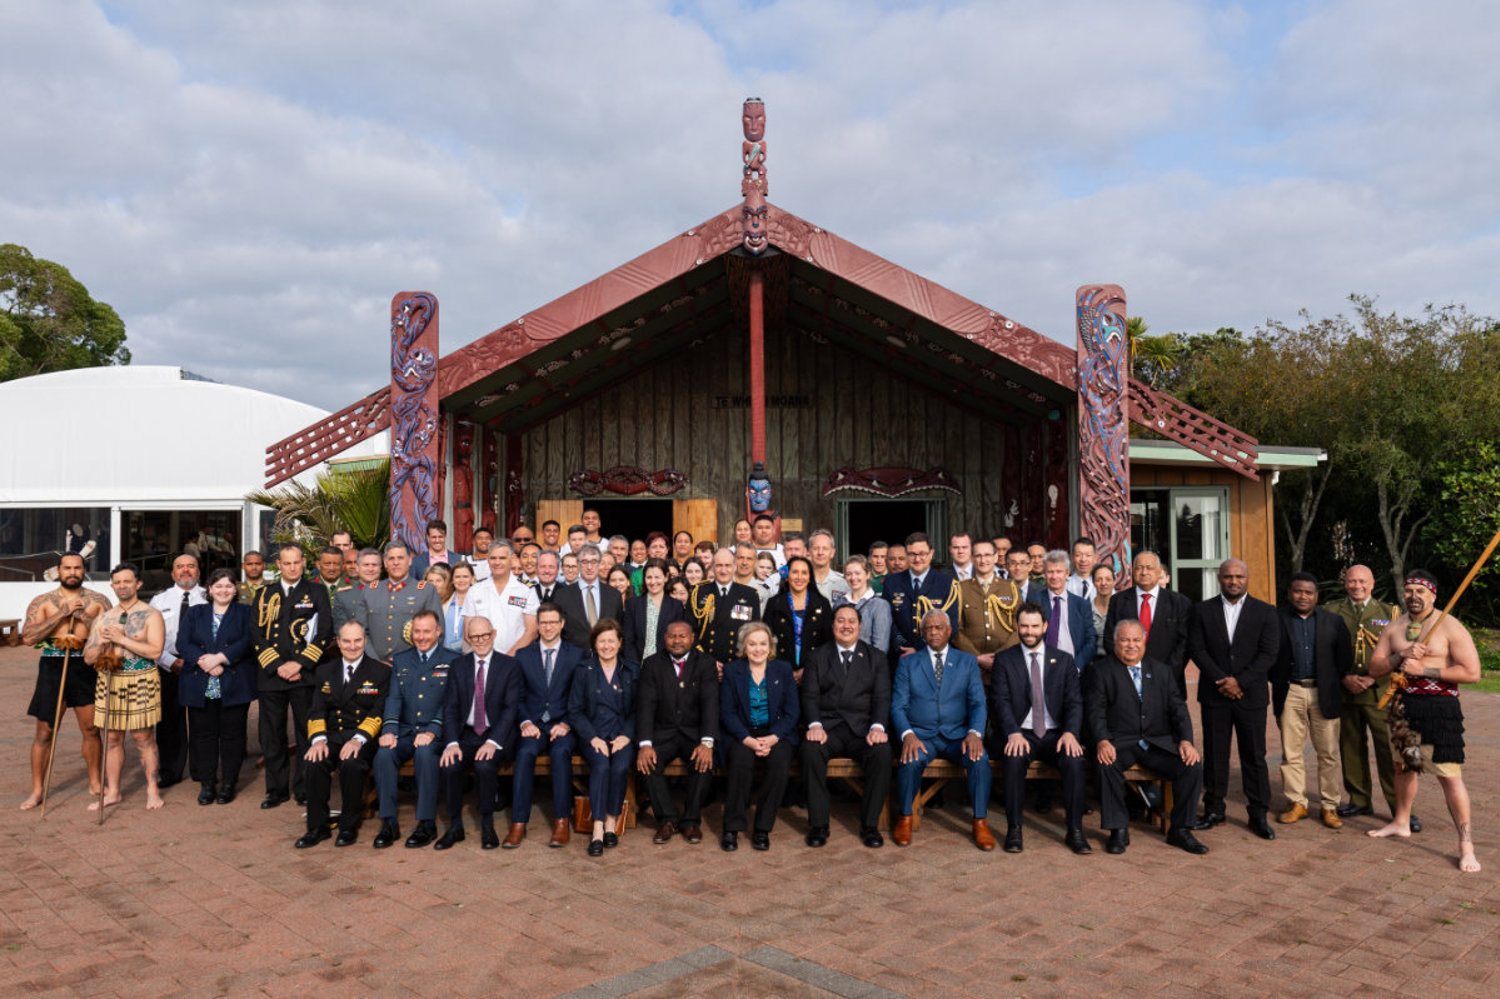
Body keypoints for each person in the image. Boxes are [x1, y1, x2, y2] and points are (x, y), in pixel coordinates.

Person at [1366, 570, 1482, 873]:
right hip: (1403, 706)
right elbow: (1375, 668)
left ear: (1433, 595)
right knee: (1403, 767)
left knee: (1449, 776)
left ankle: (1466, 845)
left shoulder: (1450, 626)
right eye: (1409, 590)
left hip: (1440, 709)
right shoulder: (1394, 627)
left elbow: (1472, 673)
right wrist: (1400, 656)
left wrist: (1425, 670)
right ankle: (1401, 822)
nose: (1413, 596)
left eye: (1420, 591)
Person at [1087, 620, 1208, 855]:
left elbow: (1178, 710)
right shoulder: (1101, 671)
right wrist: (1102, 740)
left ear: (1144, 641)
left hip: (1156, 742)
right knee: (1105, 764)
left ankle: (1181, 829)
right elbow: (1095, 711)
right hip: (1120, 742)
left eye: (1136, 640)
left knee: (1191, 765)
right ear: (1115, 642)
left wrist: (1186, 741)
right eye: (1125, 640)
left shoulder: (1162, 671)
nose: (1131, 645)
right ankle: (1118, 829)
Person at [1187, 558, 1279, 840]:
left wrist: (1240, 682)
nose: (1234, 581)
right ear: (1220, 578)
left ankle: (1258, 813)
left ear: (1247, 578)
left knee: (1254, 755)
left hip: (1251, 695)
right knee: (1215, 755)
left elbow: (1268, 653)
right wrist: (1222, 680)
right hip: (1215, 694)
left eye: (1239, 576)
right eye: (1228, 576)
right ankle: (1214, 809)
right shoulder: (1202, 610)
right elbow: (1197, 649)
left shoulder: (1266, 612)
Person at [891, 610, 994, 851]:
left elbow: (978, 703)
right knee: (910, 759)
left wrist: (975, 733)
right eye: (928, 629)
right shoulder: (908, 663)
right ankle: (905, 817)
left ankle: (980, 821)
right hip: (922, 737)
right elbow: (898, 706)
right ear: (922, 633)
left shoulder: (967, 661)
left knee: (979, 759)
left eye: (938, 628)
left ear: (949, 631)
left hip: (958, 737)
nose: (933, 632)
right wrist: (908, 735)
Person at [993, 604, 1089, 854]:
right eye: (1024, 626)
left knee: (1075, 760)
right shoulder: (1005, 660)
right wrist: (1013, 732)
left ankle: (1075, 831)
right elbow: (1001, 701)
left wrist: (1071, 733)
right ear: (1016, 626)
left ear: (1045, 627)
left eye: (1035, 626)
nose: (1029, 631)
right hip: (1022, 732)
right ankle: (1014, 829)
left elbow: (1074, 702)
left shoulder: (1064, 660)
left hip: (1056, 733)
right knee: (1013, 758)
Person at [20, 553, 111, 810]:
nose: (72, 572)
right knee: (45, 732)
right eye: (67, 568)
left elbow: (109, 634)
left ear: (84, 570)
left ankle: (95, 782)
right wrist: (62, 614)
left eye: (77, 568)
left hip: (86, 666)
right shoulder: (43, 601)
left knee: (91, 729)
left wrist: (85, 618)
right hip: (52, 667)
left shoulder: (99, 600)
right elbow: (28, 637)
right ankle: (37, 790)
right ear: (58, 571)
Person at [800, 605, 891, 849]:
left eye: (852, 621)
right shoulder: (817, 656)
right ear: (833, 625)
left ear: (860, 626)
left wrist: (878, 727)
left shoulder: (876, 657)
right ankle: (819, 825)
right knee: (810, 750)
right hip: (828, 728)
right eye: (841, 620)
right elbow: (809, 696)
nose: (846, 626)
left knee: (882, 753)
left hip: (862, 730)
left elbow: (882, 697)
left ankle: (870, 825)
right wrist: (815, 725)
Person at [295, 621, 390, 848]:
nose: (352, 646)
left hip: (363, 737)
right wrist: (318, 740)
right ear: (338, 642)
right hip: (332, 735)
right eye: (346, 641)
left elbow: (378, 712)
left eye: (357, 640)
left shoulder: (381, 672)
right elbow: (317, 710)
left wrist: (357, 740)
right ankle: (317, 827)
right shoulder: (325, 670)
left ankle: (348, 826)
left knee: (351, 763)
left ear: (364, 641)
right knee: (314, 761)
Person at [252, 543, 333, 810]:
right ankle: (276, 790)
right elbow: (257, 635)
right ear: (279, 565)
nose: (292, 567)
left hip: (304, 674)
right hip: (272, 675)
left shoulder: (316, 591)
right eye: (287, 563)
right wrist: (278, 666)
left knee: (306, 732)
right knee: (271, 734)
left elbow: (324, 633)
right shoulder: (264, 594)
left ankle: (305, 788)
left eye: (296, 562)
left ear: (304, 562)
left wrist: (298, 664)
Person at [1271, 572, 1352, 830]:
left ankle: (1329, 805)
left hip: (1323, 692)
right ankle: (1297, 803)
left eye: (1308, 592)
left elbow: (1344, 658)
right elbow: (1268, 654)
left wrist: (1330, 680)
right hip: (1290, 690)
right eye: (1298, 591)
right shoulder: (1276, 619)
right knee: (1291, 751)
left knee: (1328, 753)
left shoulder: (1333, 621)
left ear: (1316, 596)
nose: (1303, 596)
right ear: (1289, 593)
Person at [83, 563, 167, 811]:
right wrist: (102, 643)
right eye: (117, 582)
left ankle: (152, 790)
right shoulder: (103, 618)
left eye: (127, 581)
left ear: (138, 584)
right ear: (112, 586)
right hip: (110, 679)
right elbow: (88, 658)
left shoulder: (151, 615)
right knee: (112, 738)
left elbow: (156, 651)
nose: (122, 586)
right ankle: (113, 792)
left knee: (143, 737)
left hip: (141, 678)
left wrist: (122, 639)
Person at [371, 610, 456, 849]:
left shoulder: (453, 660)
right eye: (417, 631)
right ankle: (389, 822)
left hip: (435, 733)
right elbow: (394, 698)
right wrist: (389, 729)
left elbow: (451, 702)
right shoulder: (402, 660)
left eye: (426, 631)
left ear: (438, 631)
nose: (421, 637)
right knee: (384, 754)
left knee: (425, 754)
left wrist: (433, 730)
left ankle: (427, 823)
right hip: (406, 731)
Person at [1327, 565, 1405, 825]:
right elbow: (1324, 651)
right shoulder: (1331, 611)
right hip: (1346, 692)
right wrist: (1343, 677)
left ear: (1372, 583)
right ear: (1345, 583)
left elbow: (1401, 652)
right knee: (1350, 747)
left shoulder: (1390, 613)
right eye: (1352, 581)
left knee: (1389, 751)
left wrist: (1374, 677)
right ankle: (1359, 800)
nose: (1357, 586)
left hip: (1380, 693)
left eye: (1362, 581)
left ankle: (1400, 808)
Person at [437, 616, 522, 850]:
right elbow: (450, 708)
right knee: (449, 765)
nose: (480, 641)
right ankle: (455, 826)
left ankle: (487, 824)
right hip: (466, 734)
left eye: (484, 635)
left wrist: (493, 742)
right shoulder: (459, 666)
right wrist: (451, 743)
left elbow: (511, 709)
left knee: (484, 765)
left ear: (493, 634)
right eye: (474, 637)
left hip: (496, 735)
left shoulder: (509, 666)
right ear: (468, 639)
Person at [176, 568, 255, 806]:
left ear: (235, 589)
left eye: (228, 586)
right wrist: (206, 663)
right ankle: (207, 784)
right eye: (218, 586)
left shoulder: (245, 612)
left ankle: (229, 784)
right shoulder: (195, 612)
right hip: (200, 682)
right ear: (209, 589)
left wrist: (221, 658)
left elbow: (248, 641)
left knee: (232, 736)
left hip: (234, 682)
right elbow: (183, 642)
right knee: (203, 736)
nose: (223, 590)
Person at [637, 620, 719, 845]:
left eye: (682, 636)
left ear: (692, 638)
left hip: (694, 734)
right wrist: (645, 744)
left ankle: (691, 821)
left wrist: (707, 743)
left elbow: (710, 704)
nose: (677, 641)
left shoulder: (706, 663)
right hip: (663, 734)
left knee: (704, 763)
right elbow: (645, 706)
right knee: (647, 763)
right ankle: (667, 820)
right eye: (672, 636)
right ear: (665, 639)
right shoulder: (652, 664)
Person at [720, 621, 799, 851]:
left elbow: (792, 712)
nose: (758, 649)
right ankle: (732, 828)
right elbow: (727, 712)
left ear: (770, 647)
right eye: (752, 644)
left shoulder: (783, 670)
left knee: (779, 764)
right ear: (743, 647)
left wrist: (774, 737)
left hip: (776, 733)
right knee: (740, 762)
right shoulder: (732, 671)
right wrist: (749, 740)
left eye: (763, 644)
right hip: (742, 733)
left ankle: (763, 828)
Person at [509, 604, 582, 849]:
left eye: (553, 622)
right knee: (525, 752)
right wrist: (525, 722)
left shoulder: (576, 655)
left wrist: (567, 723)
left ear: (562, 624)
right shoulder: (523, 655)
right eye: (543, 623)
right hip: (534, 723)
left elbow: (580, 697)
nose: (548, 627)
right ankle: (518, 822)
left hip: (563, 724)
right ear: (537, 626)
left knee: (561, 754)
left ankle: (562, 821)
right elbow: (517, 697)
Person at [569, 619, 638, 857]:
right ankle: (598, 828)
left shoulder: (632, 670)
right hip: (594, 735)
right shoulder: (583, 670)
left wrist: (626, 736)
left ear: (620, 643)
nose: (606, 646)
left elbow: (638, 710)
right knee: (600, 766)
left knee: (619, 767)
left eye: (611, 640)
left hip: (621, 735)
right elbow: (574, 711)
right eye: (601, 641)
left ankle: (611, 821)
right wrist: (592, 737)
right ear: (594, 643)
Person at [148, 552, 205, 790]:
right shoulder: (158, 601)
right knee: (169, 721)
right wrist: (169, 661)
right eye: (180, 566)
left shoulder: (209, 597)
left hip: (203, 666)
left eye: (191, 566)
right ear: (173, 573)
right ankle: (170, 771)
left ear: (198, 571)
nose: (185, 570)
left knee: (202, 719)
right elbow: (150, 636)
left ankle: (202, 769)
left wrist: (199, 661)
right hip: (168, 666)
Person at [1102, 550, 1192, 699]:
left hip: (1168, 682)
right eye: (1139, 568)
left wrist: (1165, 674)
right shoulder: (1118, 601)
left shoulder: (1179, 603)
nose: (1144, 572)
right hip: (1126, 682)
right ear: (1132, 571)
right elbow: (1109, 639)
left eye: (1149, 568)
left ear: (1159, 572)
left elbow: (1184, 645)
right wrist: (1127, 670)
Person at [882, 532, 960, 659]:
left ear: (931, 553)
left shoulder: (946, 583)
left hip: (933, 656)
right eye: (912, 554)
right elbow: (887, 620)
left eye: (922, 554)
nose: (917, 559)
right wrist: (901, 645)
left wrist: (920, 649)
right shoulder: (891, 582)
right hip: (900, 656)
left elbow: (951, 625)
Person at [952, 539, 1022, 678]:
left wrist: (1000, 656)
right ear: (972, 559)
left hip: (1006, 664)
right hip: (972, 667)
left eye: (987, 555)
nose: (983, 560)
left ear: (996, 557)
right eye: (978, 556)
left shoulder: (1010, 588)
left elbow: (1020, 626)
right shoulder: (960, 589)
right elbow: (955, 629)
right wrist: (977, 657)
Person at [365, 541, 443, 663]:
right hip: (375, 665)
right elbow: (361, 632)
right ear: (385, 563)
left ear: (410, 561)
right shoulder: (369, 591)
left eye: (400, 558)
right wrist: (375, 662)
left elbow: (438, 632)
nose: (396, 563)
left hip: (414, 665)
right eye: (391, 559)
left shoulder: (426, 591)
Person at [463, 541, 540, 656]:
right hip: (484, 659)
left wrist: (507, 658)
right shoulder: (475, 590)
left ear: (511, 559)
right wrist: (489, 658)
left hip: (517, 659)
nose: (497, 562)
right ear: (487, 559)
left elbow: (532, 631)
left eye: (502, 558)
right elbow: (468, 632)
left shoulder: (526, 590)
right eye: (493, 558)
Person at [688, 548, 762, 667]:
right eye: (719, 565)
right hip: (704, 664)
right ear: (712, 567)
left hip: (738, 664)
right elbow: (689, 631)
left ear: (735, 567)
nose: (723, 570)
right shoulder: (698, 593)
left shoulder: (750, 595)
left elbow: (754, 633)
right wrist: (706, 661)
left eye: (728, 565)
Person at [763, 555, 833, 679]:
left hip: (814, 673)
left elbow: (827, 643)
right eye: (795, 572)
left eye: (804, 573)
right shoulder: (774, 603)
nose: (799, 577)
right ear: (787, 576)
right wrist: (785, 670)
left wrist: (807, 670)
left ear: (810, 577)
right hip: (780, 672)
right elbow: (767, 640)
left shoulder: (822, 604)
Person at [554, 544, 621, 651]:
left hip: (606, 656)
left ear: (599, 564)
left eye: (594, 562)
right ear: (578, 564)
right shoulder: (562, 595)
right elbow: (557, 632)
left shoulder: (614, 595)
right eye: (584, 562)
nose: (589, 567)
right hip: (574, 657)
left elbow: (619, 631)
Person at [623, 559, 686, 664]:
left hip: (666, 666)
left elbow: (678, 641)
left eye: (657, 577)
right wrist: (634, 666)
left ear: (666, 577)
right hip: (637, 666)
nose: (653, 582)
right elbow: (628, 640)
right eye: (649, 577)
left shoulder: (676, 606)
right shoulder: (633, 604)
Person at [835, 555, 892, 653]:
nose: (853, 578)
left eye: (857, 573)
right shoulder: (839, 603)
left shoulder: (880, 605)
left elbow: (880, 647)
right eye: (848, 574)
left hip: (868, 661)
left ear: (868, 574)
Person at [334, 548, 382, 634]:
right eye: (366, 565)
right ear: (357, 567)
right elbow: (341, 631)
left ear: (380, 568)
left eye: (374, 565)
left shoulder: (393, 593)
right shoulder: (343, 596)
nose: (370, 569)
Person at [807, 529, 848, 604]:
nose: (820, 552)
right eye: (816, 548)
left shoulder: (844, 582)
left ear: (832, 553)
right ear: (809, 552)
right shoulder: (802, 581)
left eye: (825, 548)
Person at [441, 562, 473, 653]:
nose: (461, 580)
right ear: (452, 580)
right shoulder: (443, 601)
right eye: (457, 577)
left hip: (469, 653)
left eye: (465, 576)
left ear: (472, 578)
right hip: (445, 654)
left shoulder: (479, 602)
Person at [1089, 562, 1116, 640]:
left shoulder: (1121, 609)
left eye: (1108, 579)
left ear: (1114, 582)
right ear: (1093, 582)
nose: (1103, 583)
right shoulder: (1086, 610)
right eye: (1099, 580)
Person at [1067, 537, 1098, 602]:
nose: (1083, 559)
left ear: (1095, 558)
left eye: (1088, 555)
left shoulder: (1103, 584)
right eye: (1078, 555)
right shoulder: (1065, 585)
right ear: (1072, 557)